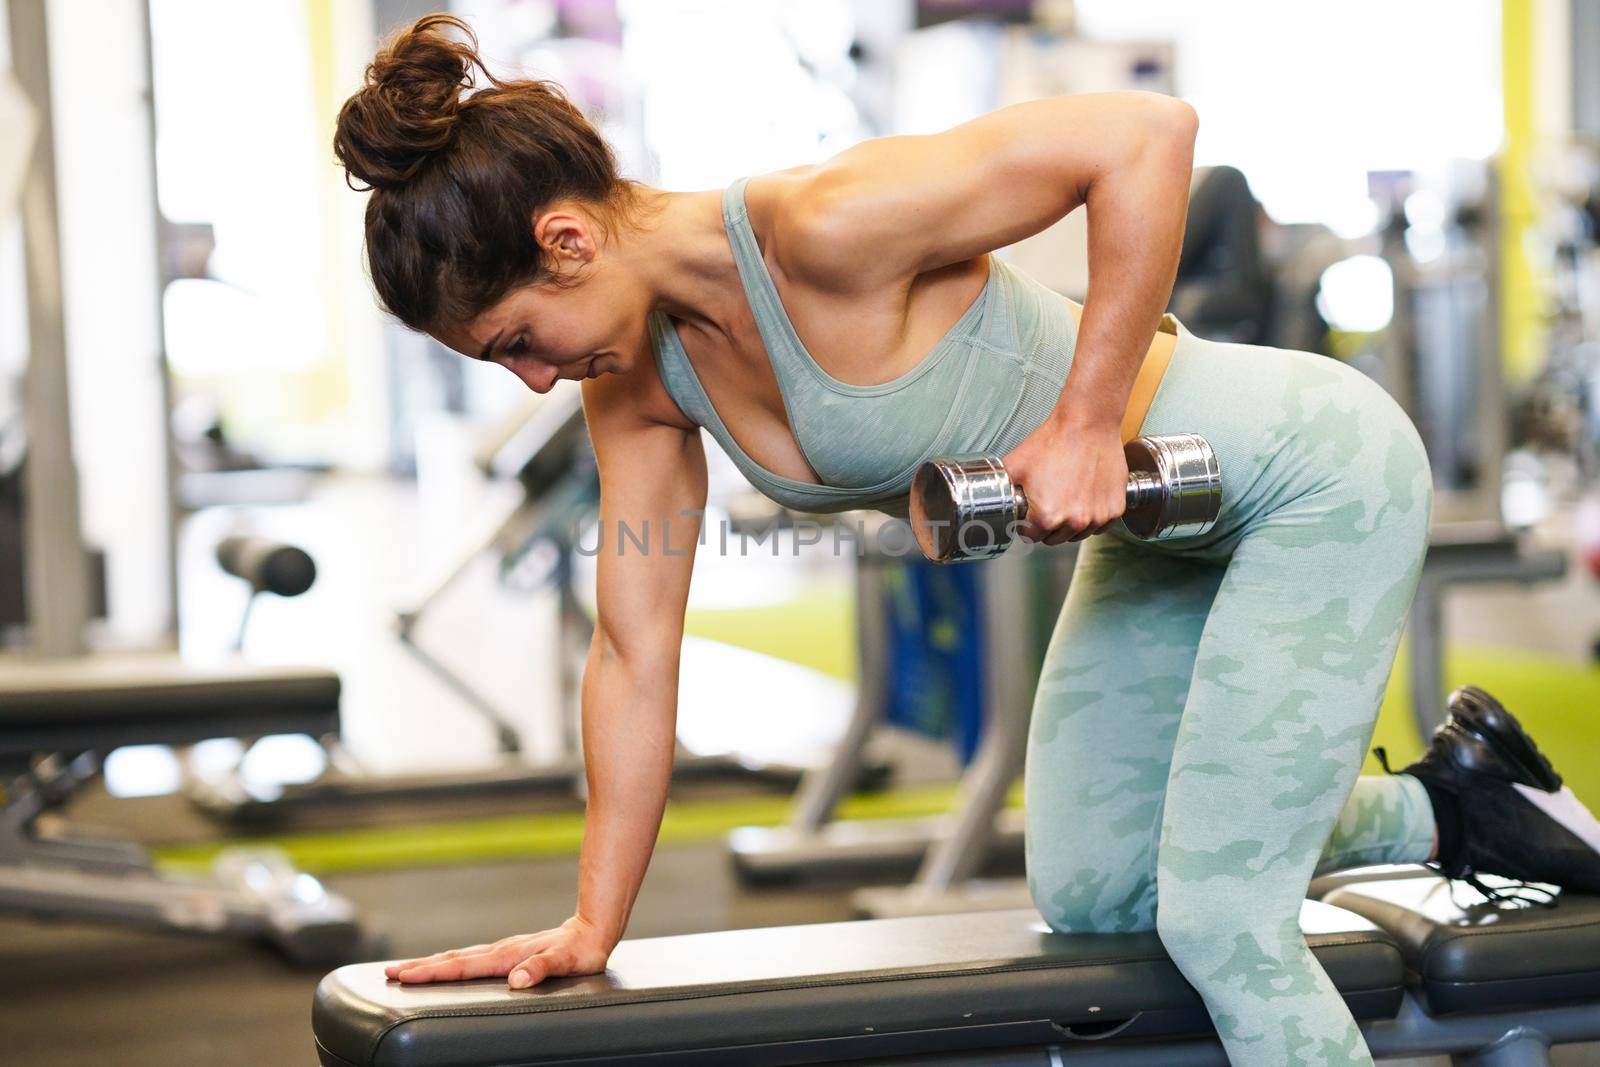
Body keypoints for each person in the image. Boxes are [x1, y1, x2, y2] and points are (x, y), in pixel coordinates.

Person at [334, 16, 1600, 1066]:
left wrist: (1090, 420)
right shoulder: (642, 385)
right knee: (1099, 892)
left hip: (1310, 473)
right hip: (1161, 537)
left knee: (1223, 918)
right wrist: (589, 921)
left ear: (565, 242)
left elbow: (1144, 136)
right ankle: (1448, 802)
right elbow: (630, 650)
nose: (534, 384)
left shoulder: (822, 225)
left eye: (515, 343)